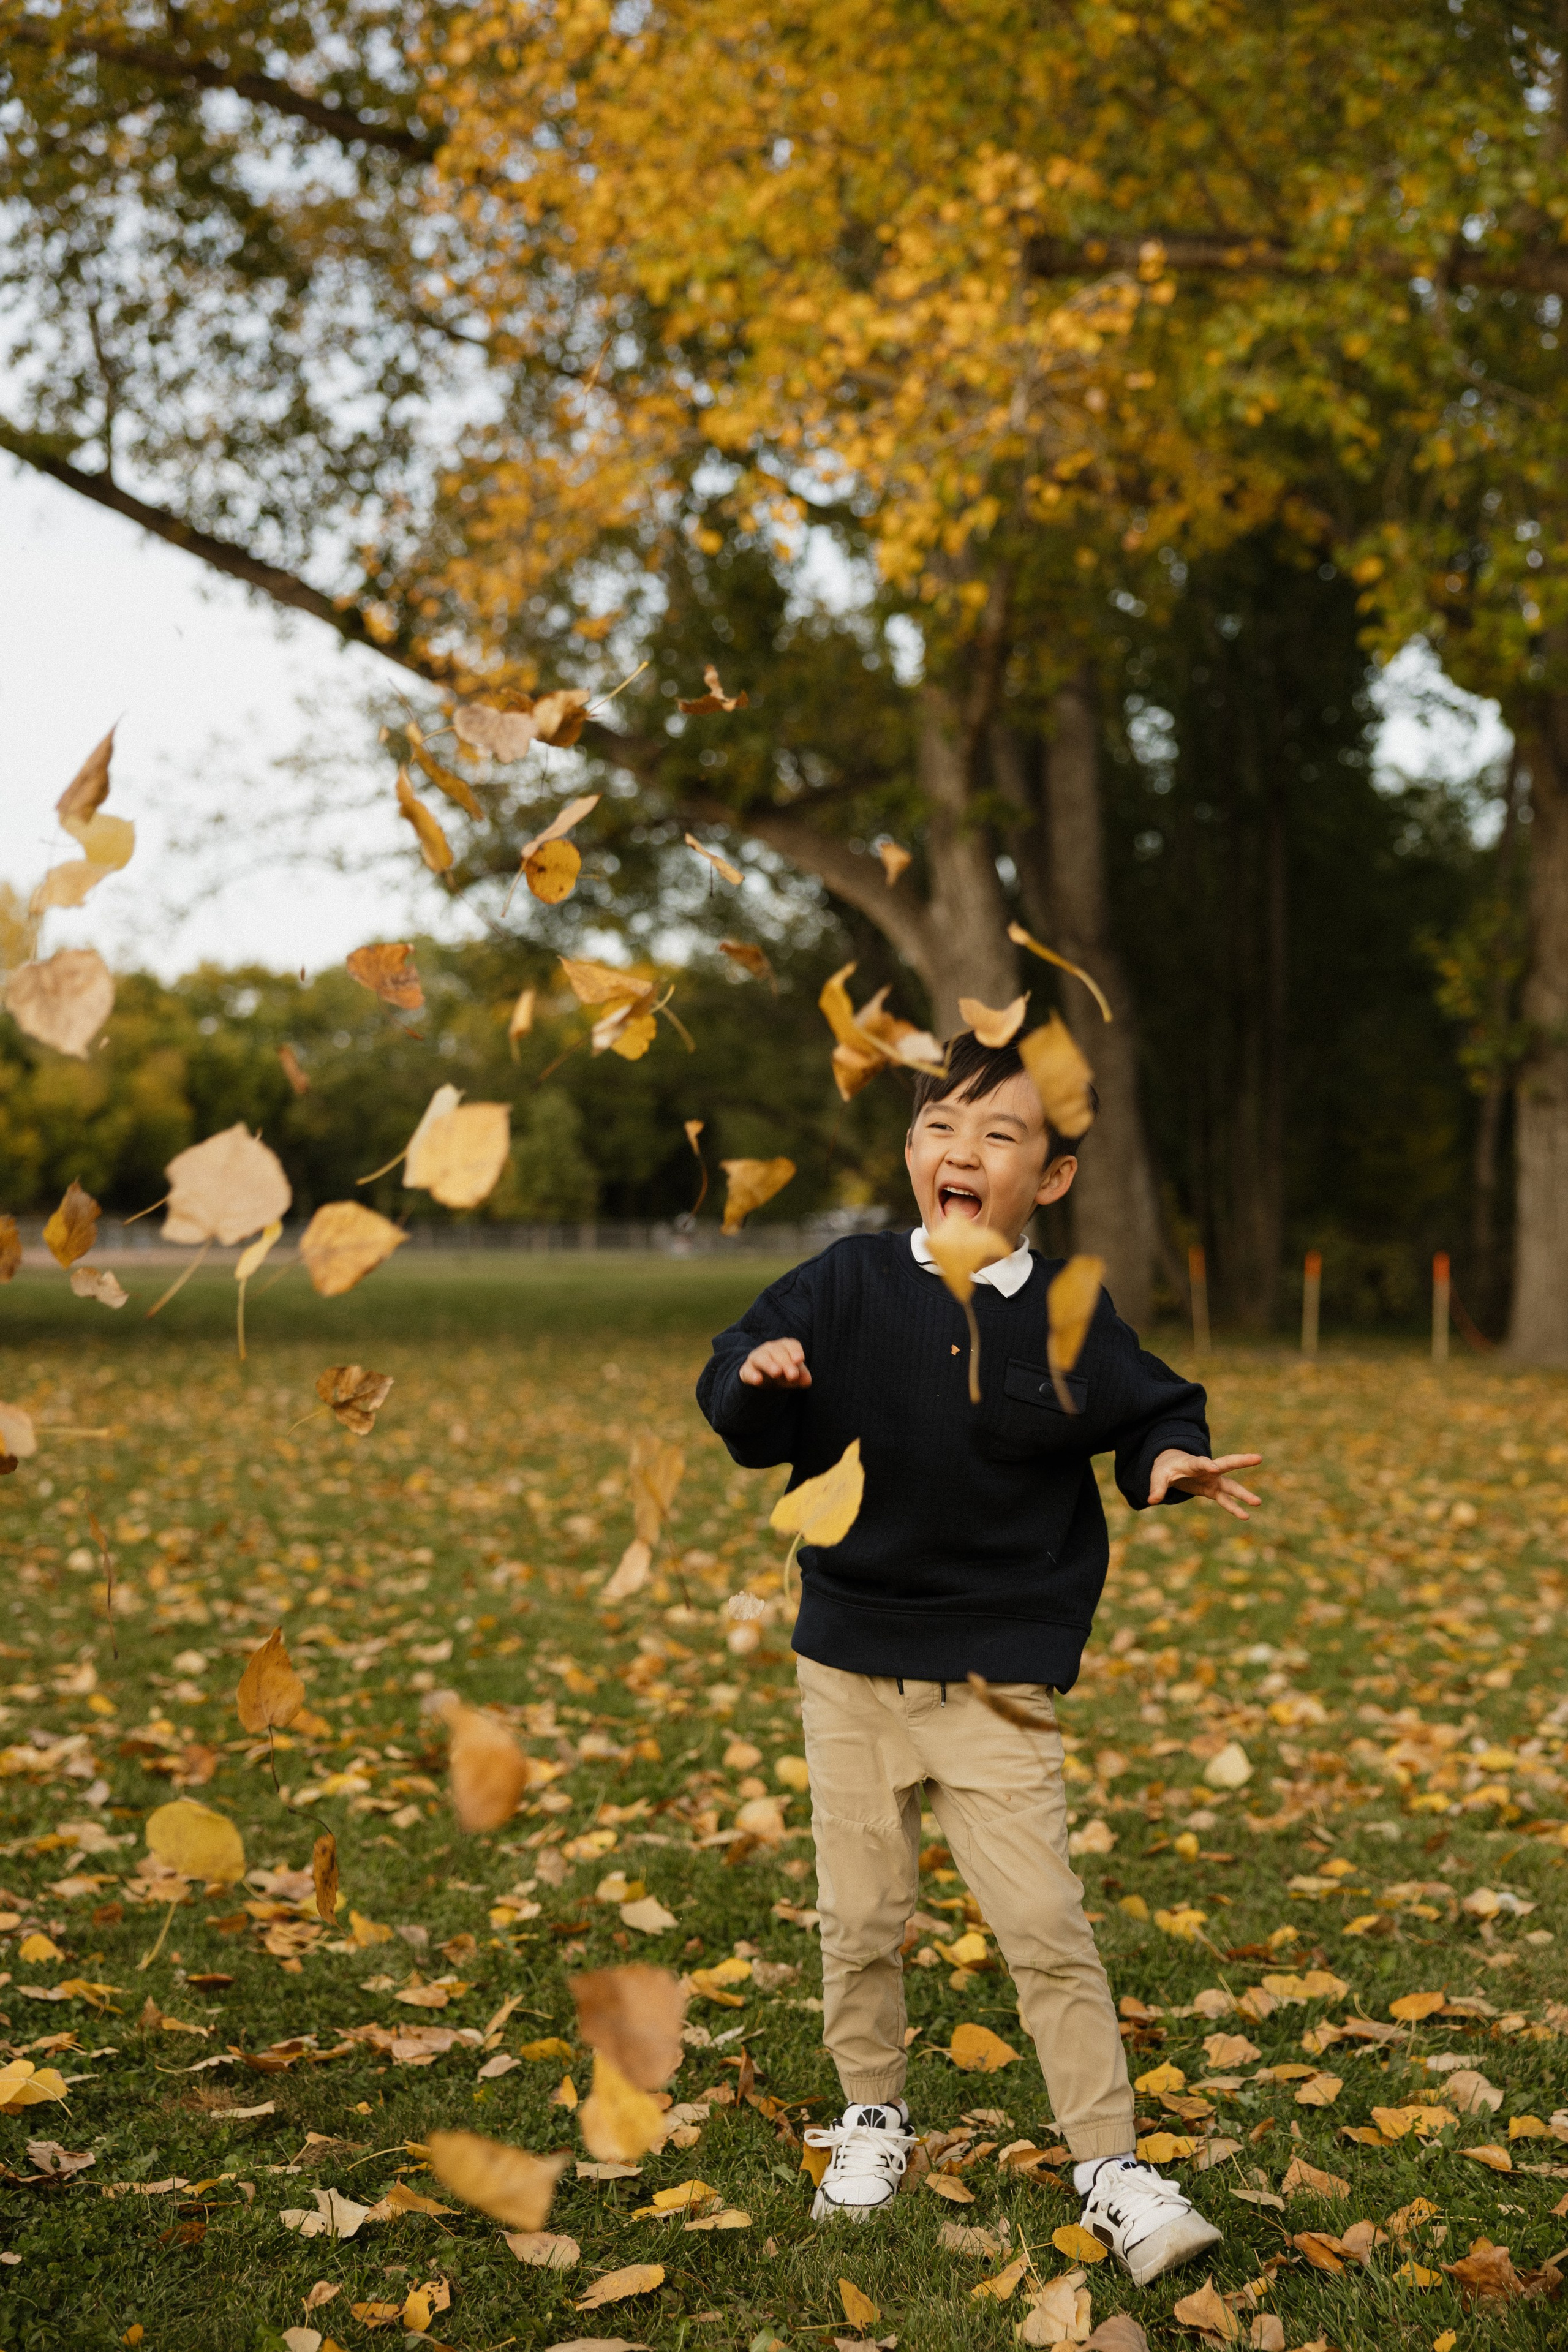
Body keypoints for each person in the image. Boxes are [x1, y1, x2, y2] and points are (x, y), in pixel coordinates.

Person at [695, 1028, 1263, 2287]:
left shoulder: (1067, 1313)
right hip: (848, 1662)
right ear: (911, 1153)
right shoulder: (842, 1285)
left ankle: (1108, 2165)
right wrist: (761, 1376)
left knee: (1042, 1921)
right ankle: (872, 2115)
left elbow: (1150, 1405)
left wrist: (1167, 1462)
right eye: (939, 1130)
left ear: (1048, 1177)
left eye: (997, 1134)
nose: (962, 1152)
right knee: (859, 1915)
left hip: (996, 1677)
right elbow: (731, 1386)